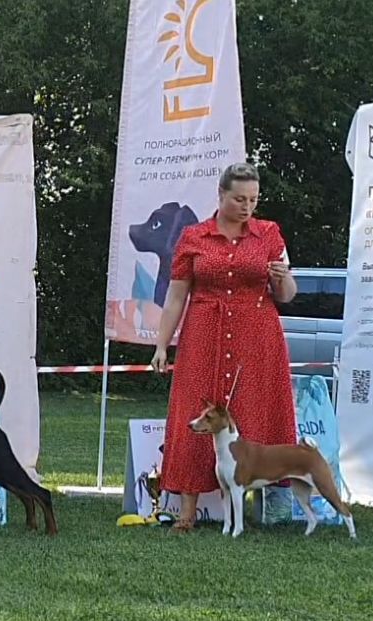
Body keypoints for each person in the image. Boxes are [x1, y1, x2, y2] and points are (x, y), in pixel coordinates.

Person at [150, 162, 298, 532]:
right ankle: (187, 511)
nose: (247, 206)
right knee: (193, 411)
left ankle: (267, 505)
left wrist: (282, 279)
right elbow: (176, 296)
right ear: (221, 195)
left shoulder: (269, 234)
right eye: (239, 199)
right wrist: (162, 345)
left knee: (257, 413)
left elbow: (286, 295)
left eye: (253, 199)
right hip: (203, 334)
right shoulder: (194, 237)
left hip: (257, 338)